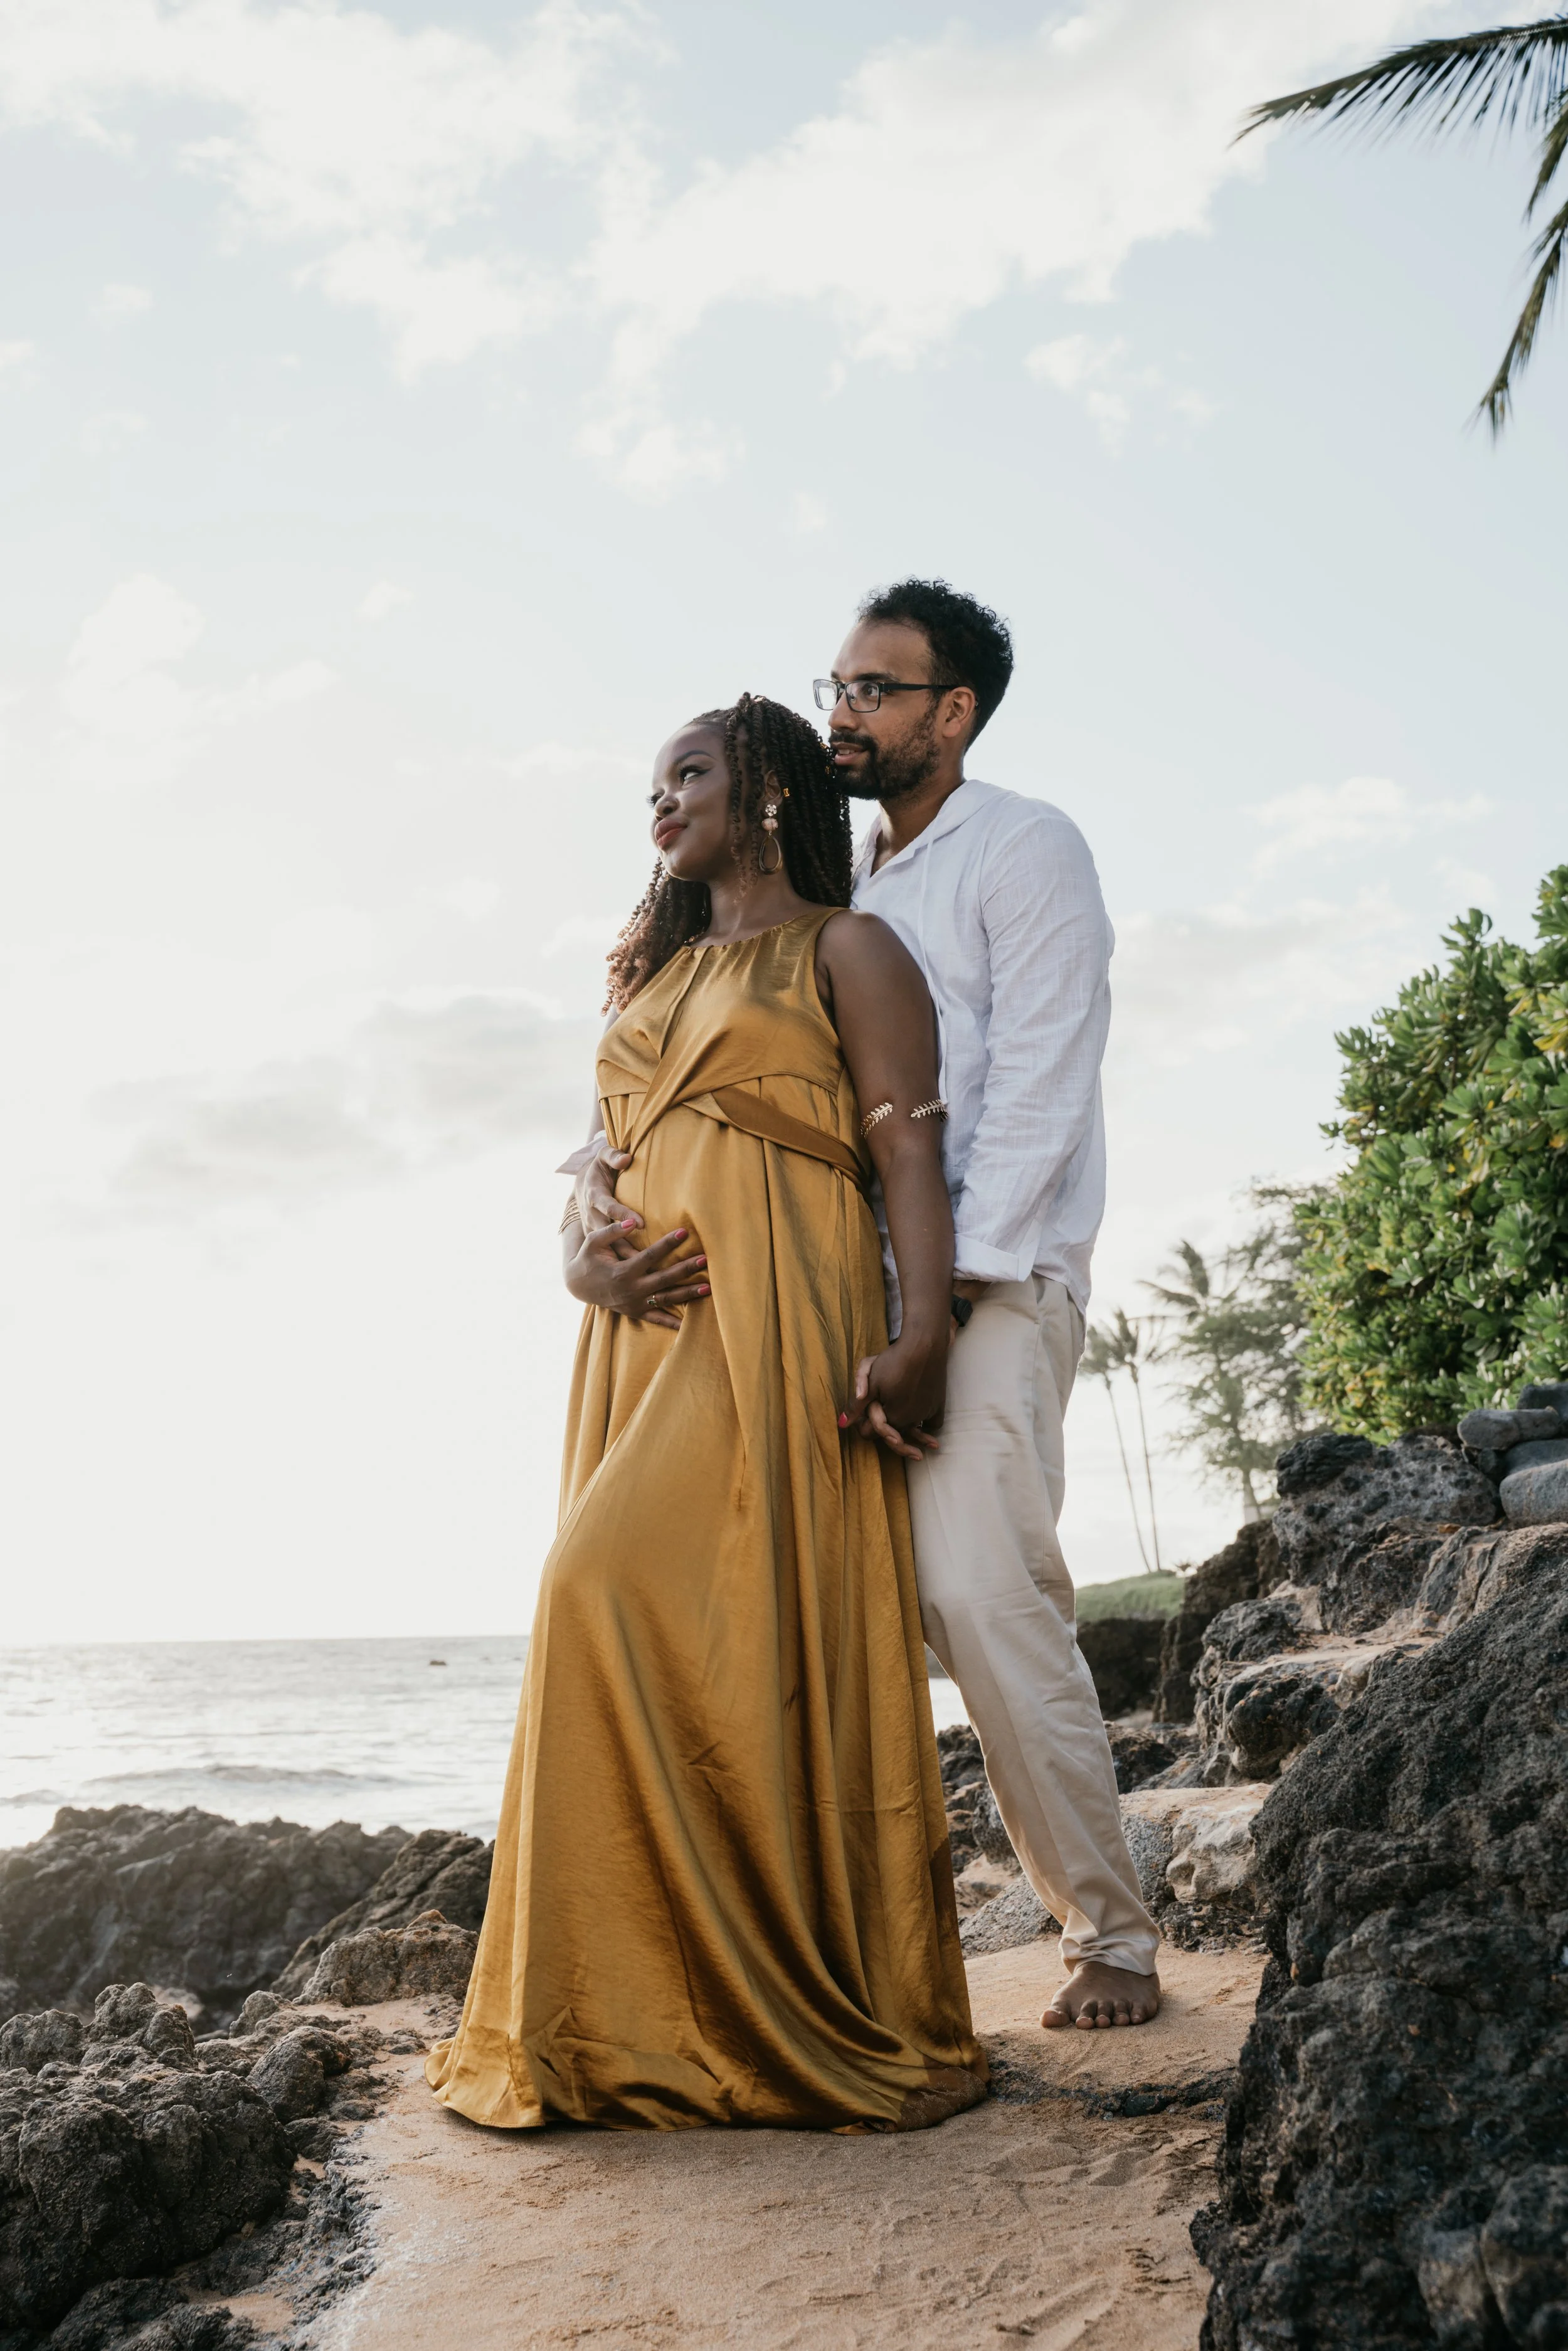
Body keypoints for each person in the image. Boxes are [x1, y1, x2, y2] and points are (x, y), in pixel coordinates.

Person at [427, 693, 988, 2132]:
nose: (662, 802)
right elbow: (592, 1179)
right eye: (652, 785)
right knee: (665, 1626)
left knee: (622, 1593)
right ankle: (620, 2011)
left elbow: (907, 1153)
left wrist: (921, 1329)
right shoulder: (645, 986)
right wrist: (576, 1258)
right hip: (639, 1336)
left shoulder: (847, 946)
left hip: (777, 1314)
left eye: (689, 774)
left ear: (768, 794)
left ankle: (763, 1987)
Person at [825, 578, 1162, 2030]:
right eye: (837, 684)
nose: (843, 710)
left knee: (978, 1586)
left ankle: (1110, 1933)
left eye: (876, 690)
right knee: (854, 1608)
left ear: (950, 712)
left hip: (995, 1284)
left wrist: (945, 1301)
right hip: (845, 1296)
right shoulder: (840, 885)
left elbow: (1036, 1081)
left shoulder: (1024, 849)